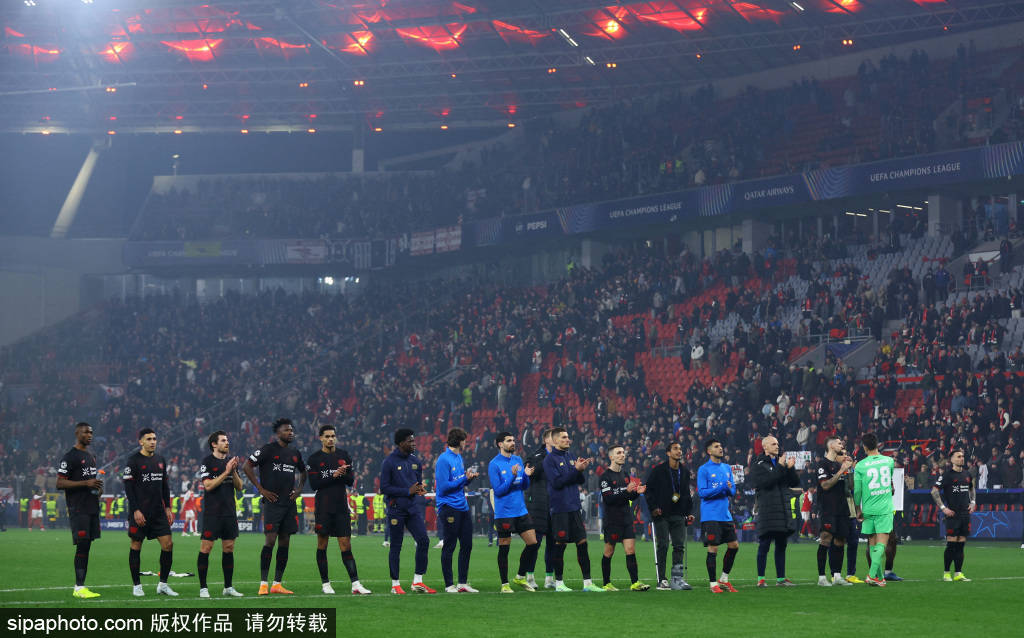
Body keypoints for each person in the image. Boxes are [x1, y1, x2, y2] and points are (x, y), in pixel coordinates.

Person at [244, 417, 306, 596]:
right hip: (272, 503)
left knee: (285, 541)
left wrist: (299, 490)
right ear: (278, 433)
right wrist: (261, 489)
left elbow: (304, 471)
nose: (290, 432)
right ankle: (263, 583)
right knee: (270, 541)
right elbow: (247, 466)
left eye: (292, 430)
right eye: (287, 430)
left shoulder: (295, 453)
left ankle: (277, 584)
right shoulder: (268, 449)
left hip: (289, 503)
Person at [306, 424, 371, 595]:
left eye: (333, 436)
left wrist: (342, 474)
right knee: (322, 543)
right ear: (321, 438)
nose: (330, 439)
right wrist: (334, 475)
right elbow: (314, 484)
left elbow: (350, 480)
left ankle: (355, 584)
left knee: (346, 544)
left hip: (341, 506)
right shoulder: (314, 459)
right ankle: (326, 584)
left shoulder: (344, 455)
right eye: (327, 436)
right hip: (323, 507)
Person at [543, 427, 604, 592]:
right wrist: (575, 471)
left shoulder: (570, 456)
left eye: (568, 437)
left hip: (574, 506)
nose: (567, 439)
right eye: (563, 437)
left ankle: (588, 583)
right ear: (555, 441)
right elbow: (557, 483)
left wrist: (581, 470)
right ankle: (559, 583)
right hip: (560, 508)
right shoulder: (549, 460)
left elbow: (580, 480)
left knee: (582, 543)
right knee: (560, 544)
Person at [380, 428, 436, 594]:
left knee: (424, 541)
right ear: (401, 443)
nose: (414, 443)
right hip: (396, 509)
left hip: (412, 508)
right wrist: (407, 491)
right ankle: (395, 584)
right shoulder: (389, 462)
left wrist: (419, 490)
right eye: (410, 441)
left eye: (414, 440)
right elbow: (384, 488)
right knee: (396, 546)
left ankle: (417, 581)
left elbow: (416, 484)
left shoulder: (415, 461)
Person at [123, 428, 177, 597]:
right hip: (140, 512)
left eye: (154, 438)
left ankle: (163, 585)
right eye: (149, 439)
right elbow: (128, 488)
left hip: (158, 512)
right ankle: (137, 586)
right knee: (136, 545)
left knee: (168, 544)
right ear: (141, 442)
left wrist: (168, 507)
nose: (153, 441)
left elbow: (165, 486)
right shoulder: (133, 461)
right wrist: (135, 510)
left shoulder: (160, 460)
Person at [488, 431, 540, 593]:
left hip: (520, 510)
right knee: (504, 549)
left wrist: (526, 476)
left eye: (513, 440)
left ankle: (520, 576)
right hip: (504, 513)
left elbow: (524, 486)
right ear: (500, 444)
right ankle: (504, 584)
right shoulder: (494, 464)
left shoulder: (517, 460)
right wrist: (512, 476)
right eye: (509, 440)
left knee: (533, 543)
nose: (512, 443)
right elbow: (498, 491)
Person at [55, 422, 103, 599]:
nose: (89, 435)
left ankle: (81, 586)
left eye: (91, 432)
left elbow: (90, 480)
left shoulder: (91, 456)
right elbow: (60, 483)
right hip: (78, 507)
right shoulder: (70, 457)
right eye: (85, 432)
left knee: (87, 545)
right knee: (82, 545)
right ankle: (79, 587)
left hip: (91, 506)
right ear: (77, 433)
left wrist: (97, 489)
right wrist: (86, 483)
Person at [197, 430, 245, 598]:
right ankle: (203, 588)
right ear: (214, 444)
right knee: (206, 548)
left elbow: (239, 486)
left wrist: (233, 470)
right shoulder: (207, 462)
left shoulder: (230, 462)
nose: (227, 443)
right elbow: (208, 486)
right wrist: (226, 471)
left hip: (229, 512)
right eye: (223, 440)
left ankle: (228, 587)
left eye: (227, 440)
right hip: (212, 513)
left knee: (229, 548)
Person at [749, 435, 800, 587]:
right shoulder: (758, 465)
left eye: (777, 444)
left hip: (782, 509)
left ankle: (781, 579)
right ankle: (761, 579)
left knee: (781, 545)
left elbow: (794, 483)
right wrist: (781, 466)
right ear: (765, 447)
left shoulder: (780, 463)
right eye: (773, 444)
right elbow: (766, 483)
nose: (777, 446)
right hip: (768, 510)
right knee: (764, 544)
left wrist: (790, 469)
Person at [434, 428, 480, 593]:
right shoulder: (443, 459)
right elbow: (444, 487)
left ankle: (462, 583)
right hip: (449, 507)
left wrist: (468, 479)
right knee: (450, 545)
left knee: (467, 544)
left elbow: (459, 482)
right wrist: (463, 479)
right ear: (460, 441)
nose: (466, 443)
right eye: (464, 440)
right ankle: (449, 584)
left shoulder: (459, 457)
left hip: (462, 506)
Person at [644, 441, 694, 590]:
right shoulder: (658, 470)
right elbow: (648, 490)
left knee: (679, 546)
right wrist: (653, 508)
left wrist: (689, 512)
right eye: (675, 449)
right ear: (668, 453)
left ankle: (677, 579)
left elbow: (686, 494)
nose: (679, 451)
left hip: (678, 514)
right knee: (663, 545)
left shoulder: (684, 471)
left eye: (680, 449)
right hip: (662, 514)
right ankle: (662, 579)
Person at [600, 445, 650, 591]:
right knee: (609, 551)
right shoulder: (605, 477)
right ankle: (606, 583)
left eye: (623, 452)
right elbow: (608, 498)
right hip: (612, 520)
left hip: (626, 519)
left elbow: (628, 496)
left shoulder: (625, 475)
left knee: (630, 550)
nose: (622, 455)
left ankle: (635, 583)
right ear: (611, 457)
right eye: (619, 453)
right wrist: (627, 491)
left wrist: (636, 493)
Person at [852, 432, 895, 587]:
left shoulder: (860, 466)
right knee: (882, 543)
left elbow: (857, 491)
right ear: (877, 444)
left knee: (872, 542)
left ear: (864, 447)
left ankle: (879, 578)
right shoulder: (889, 461)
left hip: (868, 509)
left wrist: (858, 508)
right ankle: (871, 575)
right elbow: (889, 482)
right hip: (884, 508)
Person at [697, 438, 739, 593]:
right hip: (711, 515)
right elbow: (702, 493)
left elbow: (732, 491)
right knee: (713, 548)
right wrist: (721, 487)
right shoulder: (704, 469)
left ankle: (724, 579)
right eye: (716, 446)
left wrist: (728, 489)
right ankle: (713, 584)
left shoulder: (727, 468)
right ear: (709, 451)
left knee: (734, 546)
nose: (720, 448)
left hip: (725, 515)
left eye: (721, 446)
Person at [932, 448, 976, 582]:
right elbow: (934, 491)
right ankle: (946, 573)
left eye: (962, 456)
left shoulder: (967, 474)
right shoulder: (946, 475)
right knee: (951, 545)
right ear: (951, 459)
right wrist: (943, 508)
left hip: (965, 514)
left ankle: (958, 573)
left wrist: (973, 502)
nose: (961, 458)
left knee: (961, 545)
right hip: (952, 515)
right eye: (958, 456)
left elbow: (972, 488)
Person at [815, 436, 854, 586]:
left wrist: (849, 469)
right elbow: (825, 485)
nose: (841, 445)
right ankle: (821, 577)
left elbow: (851, 486)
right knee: (825, 539)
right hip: (828, 508)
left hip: (842, 508)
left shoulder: (839, 465)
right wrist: (841, 471)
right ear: (831, 446)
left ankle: (837, 576)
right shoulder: (822, 464)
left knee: (840, 540)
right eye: (838, 443)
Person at [520, 428, 555, 589]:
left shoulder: (563, 457)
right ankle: (530, 576)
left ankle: (549, 578)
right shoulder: (535, 456)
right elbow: (531, 473)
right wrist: (549, 459)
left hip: (555, 505)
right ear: (546, 440)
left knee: (553, 543)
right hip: (537, 505)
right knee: (535, 542)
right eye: (554, 437)